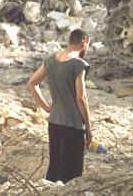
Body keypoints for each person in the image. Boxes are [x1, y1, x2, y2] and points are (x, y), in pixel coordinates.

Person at [26, 28, 92, 184]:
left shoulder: (51, 60)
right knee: (71, 176)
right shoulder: (79, 64)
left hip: (54, 123)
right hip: (72, 126)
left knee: (54, 170)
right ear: (84, 42)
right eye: (88, 44)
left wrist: (47, 107)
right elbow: (81, 98)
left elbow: (31, 84)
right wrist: (88, 128)